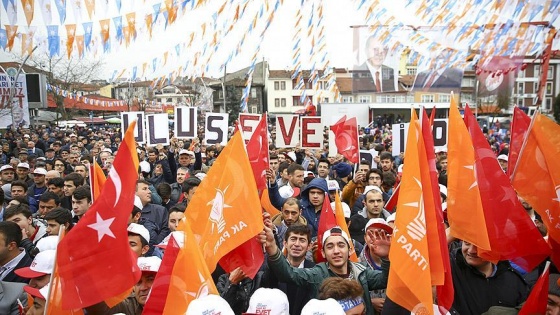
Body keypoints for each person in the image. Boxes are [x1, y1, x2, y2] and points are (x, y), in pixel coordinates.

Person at [259, 220, 391, 315]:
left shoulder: (361, 271)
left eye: (341, 245)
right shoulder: (317, 274)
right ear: (323, 253)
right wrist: (272, 247)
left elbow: (385, 280)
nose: (336, 251)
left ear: (350, 249)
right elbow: (288, 274)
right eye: (330, 246)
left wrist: (386, 258)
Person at [265, 224, 315, 315]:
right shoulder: (272, 270)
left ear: (309, 246)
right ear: (285, 243)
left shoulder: (315, 271)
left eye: (302, 240)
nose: (297, 244)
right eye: (293, 239)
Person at [85, 256, 162, 315]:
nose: (143, 288)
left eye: (150, 279)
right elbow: (98, 308)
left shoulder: (173, 304)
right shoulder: (130, 305)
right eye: (138, 282)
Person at [359, 219, 393, 314]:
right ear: (365, 238)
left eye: (380, 233)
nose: (375, 237)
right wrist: (369, 302)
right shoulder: (356, 265)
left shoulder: (400, 263)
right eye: (371, 233)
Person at [136, 180, 170, 254]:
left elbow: (165, 231)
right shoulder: (127, 212)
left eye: (149, 189)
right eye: (144, 189)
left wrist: (153, 248)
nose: (149, 192)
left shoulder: (160, 211)